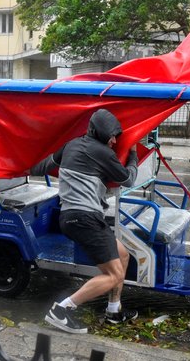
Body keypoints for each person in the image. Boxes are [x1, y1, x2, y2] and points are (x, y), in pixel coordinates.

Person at [30, 109, 139, 334]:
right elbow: (128, 179)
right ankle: (61, 310)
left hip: (75, 217)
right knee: (114, 274)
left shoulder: (71, 144)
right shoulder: (103, 153)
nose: (114, 140)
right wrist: (134, 154)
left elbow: (43, 166)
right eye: (111, 135)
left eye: (116, 136)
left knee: (123, 255)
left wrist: (19, 168)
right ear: (100, 133)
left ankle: (113, 311)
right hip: (85, 218)